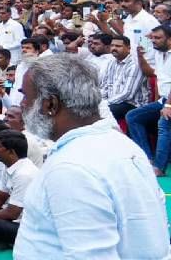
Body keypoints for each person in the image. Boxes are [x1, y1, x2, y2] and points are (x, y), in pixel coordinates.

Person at [13, 53, 170, 258]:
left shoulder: (70, 168)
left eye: (25, 96)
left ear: (50, 104)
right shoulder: (124, 146)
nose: (21, 104)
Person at [125, 23, 171, 174]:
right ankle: (147, 159)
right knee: (133, 117)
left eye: (158, 38)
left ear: (169, 40)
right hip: (164, 100)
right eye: (153, 38)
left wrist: (168, 106)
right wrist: (140, 55)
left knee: (164, 126)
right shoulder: (159, 52)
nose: (154, 40)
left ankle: (158, 167)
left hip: (169, 103)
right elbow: (149, 72)